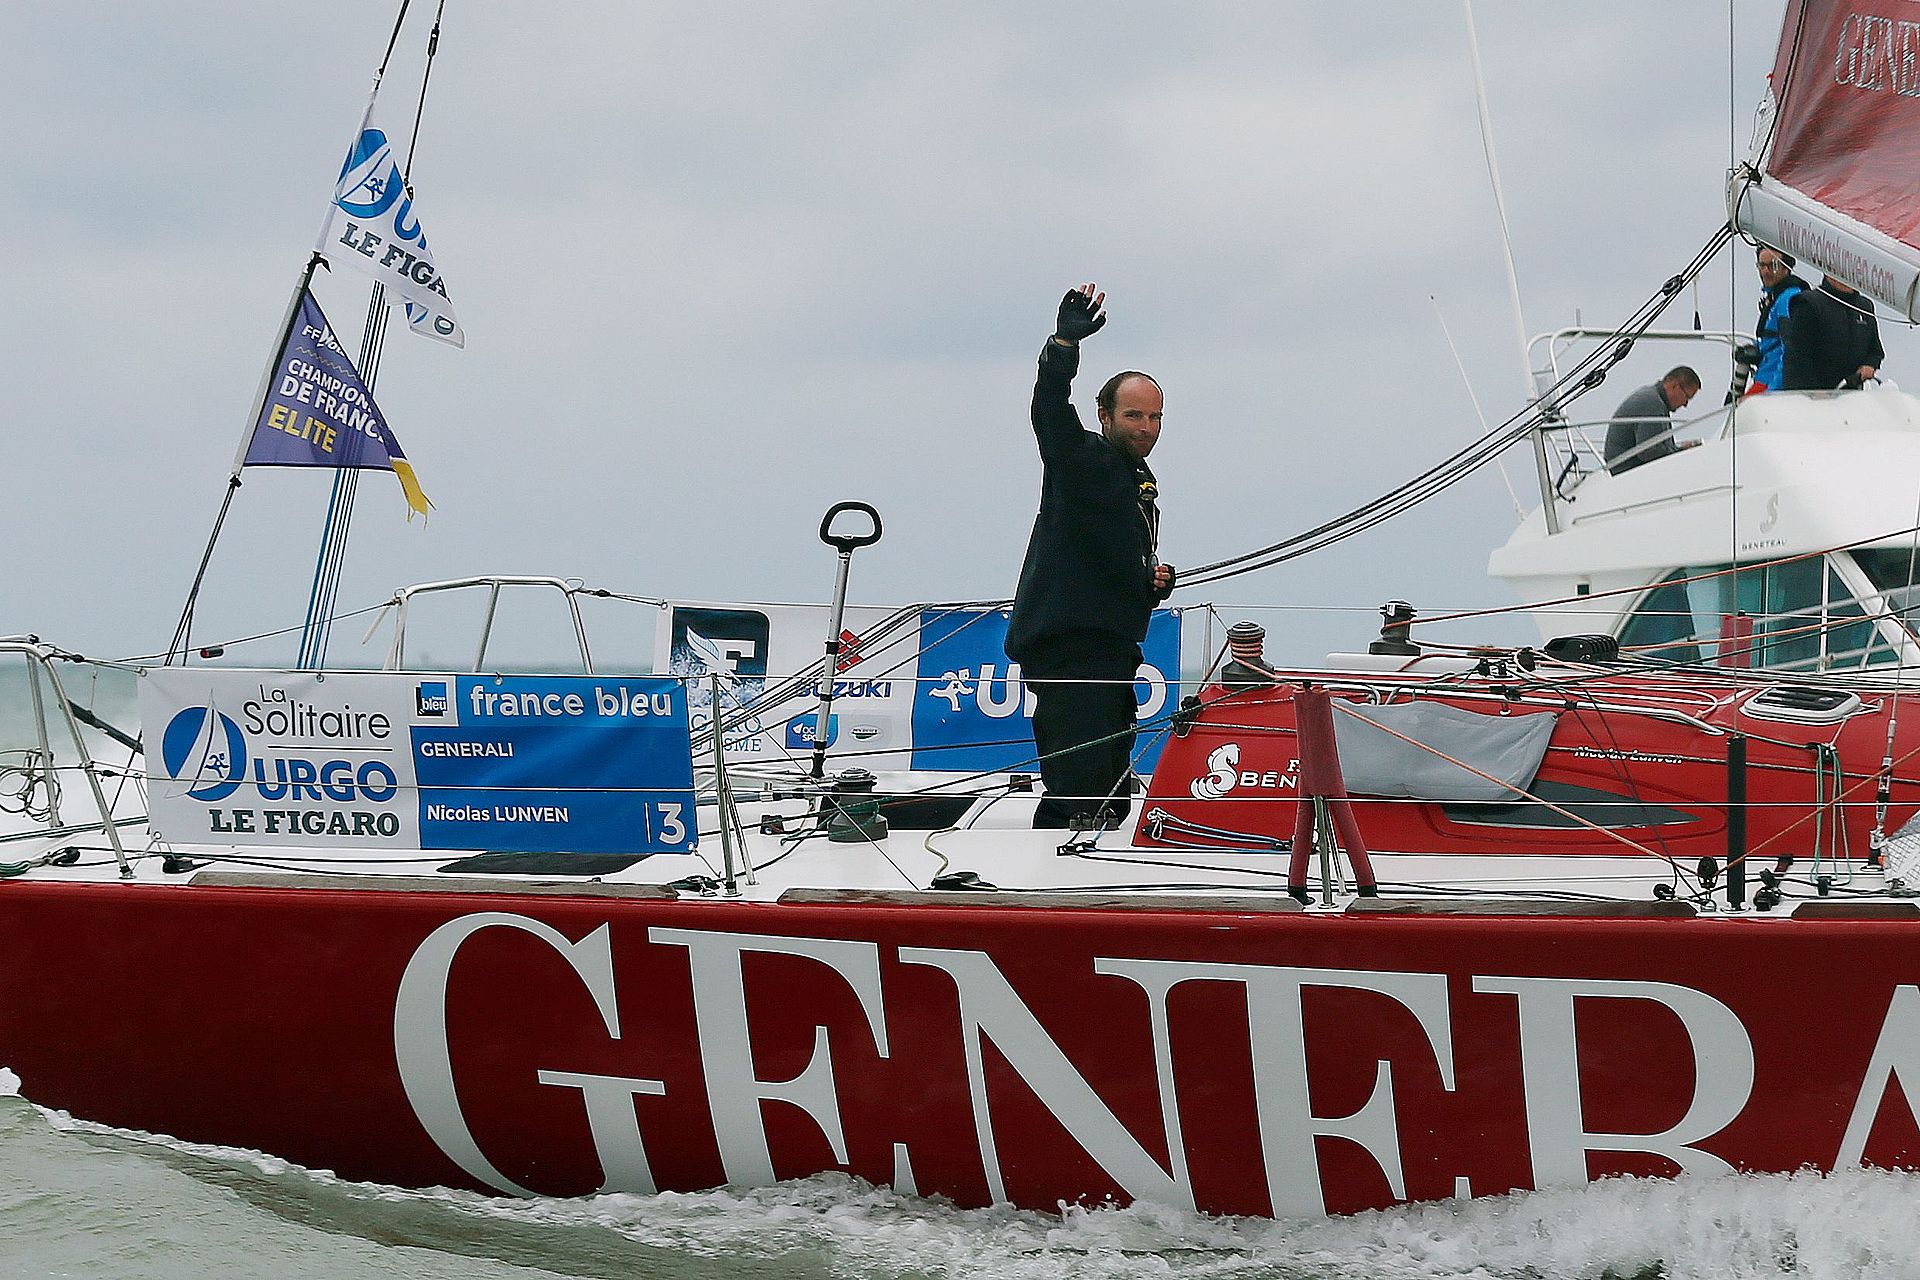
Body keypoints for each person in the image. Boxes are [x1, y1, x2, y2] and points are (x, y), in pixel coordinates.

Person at [1006, 284, 1175, 830]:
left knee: (1112, 789)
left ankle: (1087, 876)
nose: (1146, 428)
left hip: (1112, 647)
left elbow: (1115, 558)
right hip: (1069, 647)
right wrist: (1062, 345)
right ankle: (1046, 887)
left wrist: (1153, 580)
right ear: (1104, 415)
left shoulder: (1138, 477)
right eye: (1133, 416)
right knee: (1076, 786)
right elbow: (1048, 409)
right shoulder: (1078, 456)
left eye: (1154, 418)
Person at [1780, 274, 1885, 390]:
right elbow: (1797, 358)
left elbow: (1876, 351)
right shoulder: (1808, 303)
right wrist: (1812, 395)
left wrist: (1869, 365)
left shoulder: (1864, 307)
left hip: (1851, 396)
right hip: (1814, 397)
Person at [1604, 366, 1702, 475]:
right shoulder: (1652, 404)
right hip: (1628, 474)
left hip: (1625, 471)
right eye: (1687, 397)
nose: (1685, 404)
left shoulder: (1653, 398)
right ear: (1675, 386)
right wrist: (1681, 452)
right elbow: (1648, 453)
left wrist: (1678, 450)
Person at [1747, 247, 1811, 395]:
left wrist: (1772, 392)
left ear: (1786, 268)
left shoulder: (1788, 300)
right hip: (1765, 375)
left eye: (1773, 266)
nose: (1765, 272)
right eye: (1761, 266)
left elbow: (1790, 349)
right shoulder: (1775, 298)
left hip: (1772, 381)